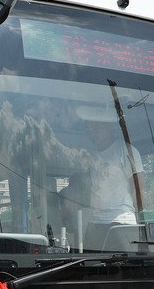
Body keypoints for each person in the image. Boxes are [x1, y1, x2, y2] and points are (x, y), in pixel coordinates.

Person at [59, 105, 145, 251]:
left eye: (96, 128)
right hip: (96, 222)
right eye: (89, 128)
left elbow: (139, 188)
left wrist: (138, 224)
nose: (92, 132)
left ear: (109, 127)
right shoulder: (92, 156)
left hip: (121, 222)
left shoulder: (124, 150)